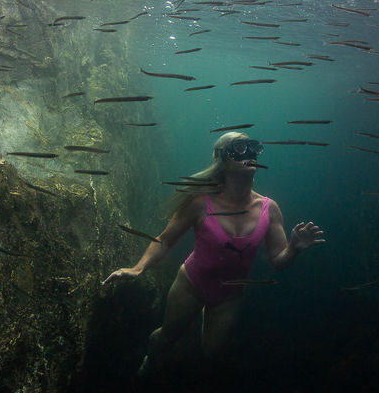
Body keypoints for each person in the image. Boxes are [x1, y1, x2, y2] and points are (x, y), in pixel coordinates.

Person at [102, 132, 325, 375]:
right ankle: (149, 364)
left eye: (253, 147)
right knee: (164, 339)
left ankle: (194, 333)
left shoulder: (269, 209)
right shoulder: (200, 202)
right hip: (192, 283)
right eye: (240, 147)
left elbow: (278, 261)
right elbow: (165, 240)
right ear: (222, 159)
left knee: (210, 355)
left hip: (230, 295)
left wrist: (293, 248)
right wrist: (138, 268)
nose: (249, 153)